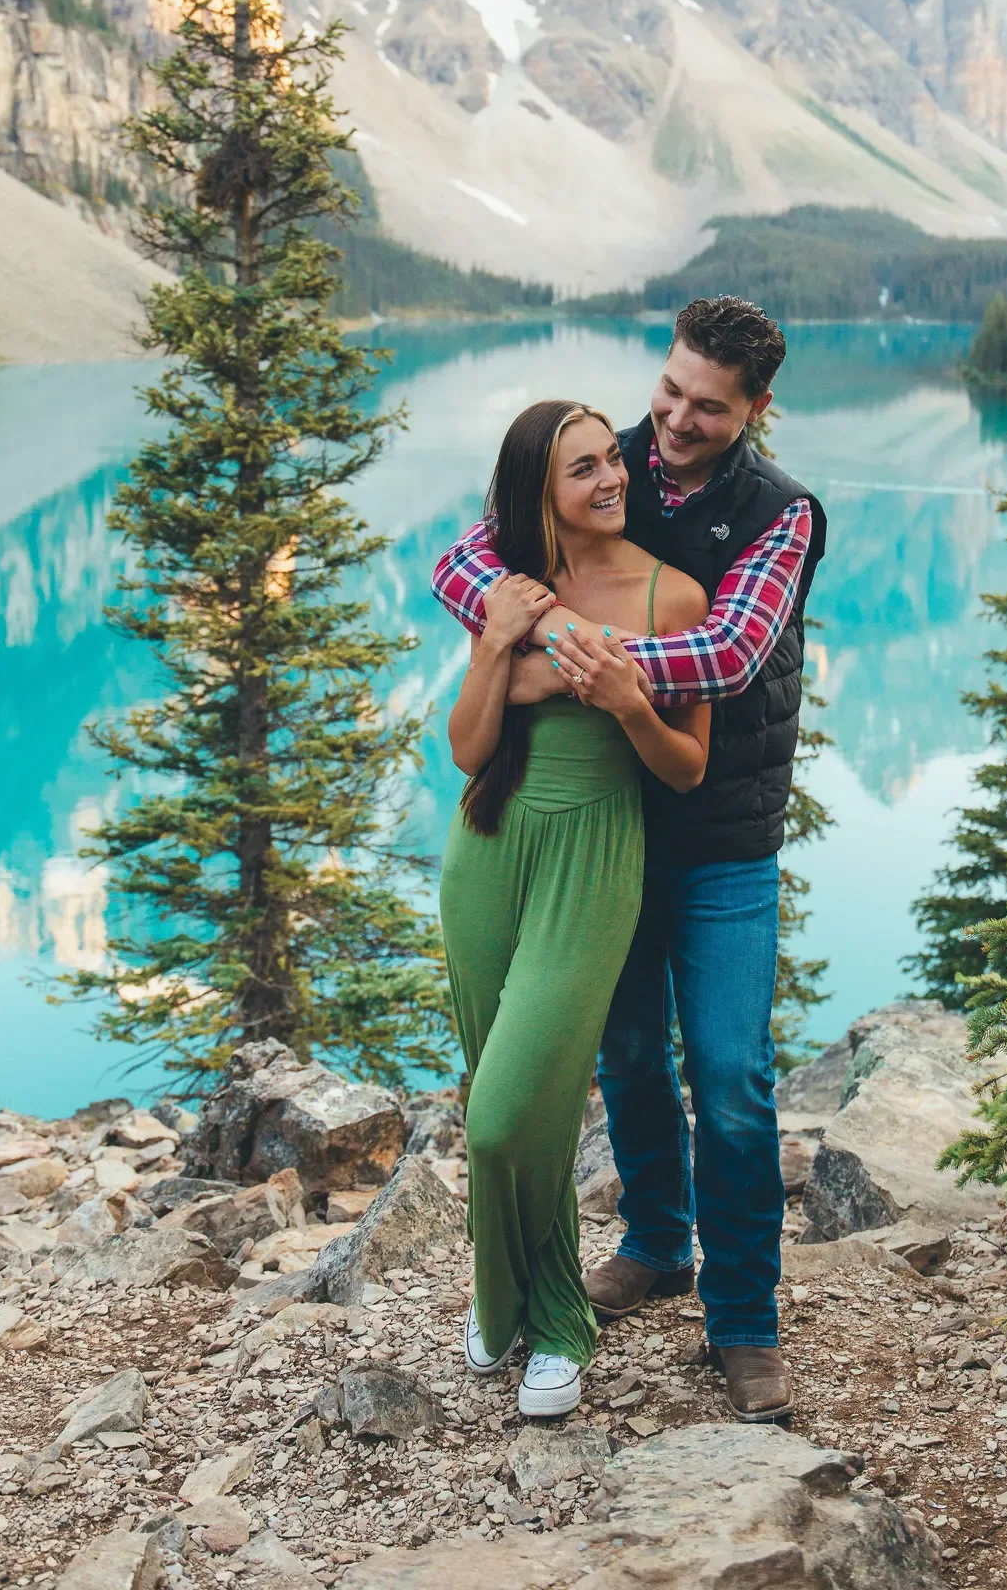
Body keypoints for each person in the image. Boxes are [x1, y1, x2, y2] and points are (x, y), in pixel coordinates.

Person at [432, 298, 826, 1423]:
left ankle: (743, 1319)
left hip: (717, 839)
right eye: (670, 390)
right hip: (593, 837)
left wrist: (564, 655)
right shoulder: (615, 460)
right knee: (628, 1058)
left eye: (708, 405)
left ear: (755, 408)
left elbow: (729, 650)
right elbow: (467, 558)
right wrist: (535, 637)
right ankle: (656, 1242)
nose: (677, 419)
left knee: (735, 1082)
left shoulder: (779, 512)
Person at [441, 398, 710, 1419]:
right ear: (536, 491)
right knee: (497, 1094)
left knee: (515, 1107)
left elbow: (685, 767)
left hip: (595, 852)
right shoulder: (509, 588)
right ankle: (508, 1297)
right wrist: (493, 648)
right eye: (582, 469)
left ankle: (559, 1315)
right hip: (487, 848)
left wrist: (628, 701)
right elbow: (467, 747)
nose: (611, 479)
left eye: (612, 460)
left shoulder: (673, 593)